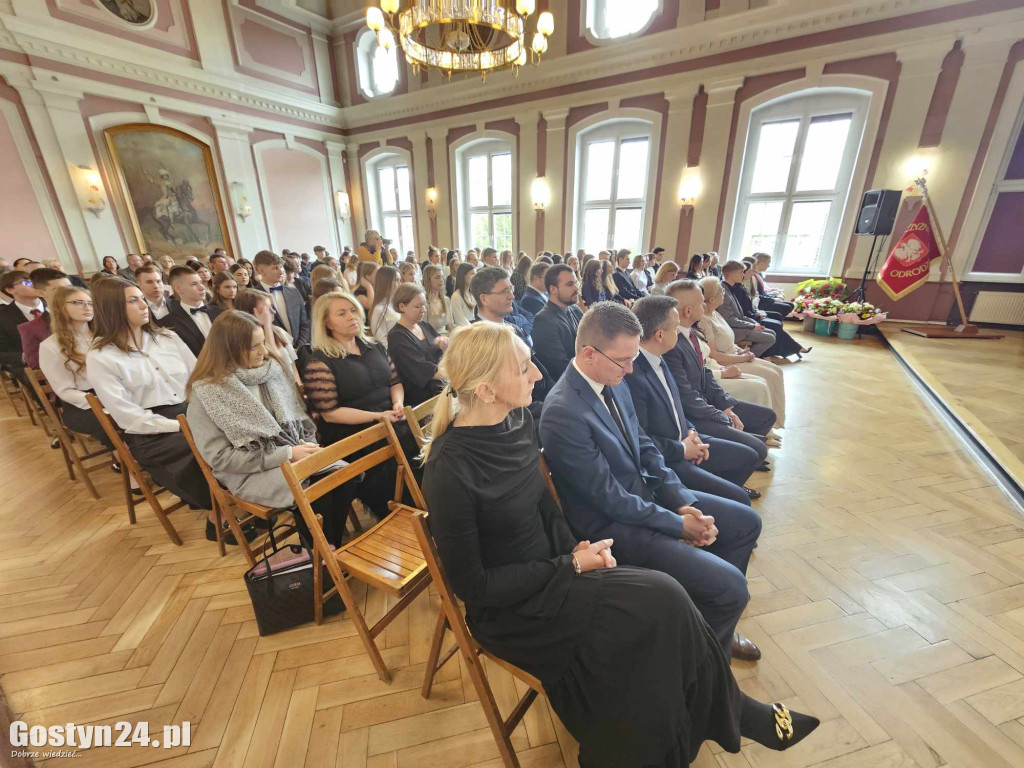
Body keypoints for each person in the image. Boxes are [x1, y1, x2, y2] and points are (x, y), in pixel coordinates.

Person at [421, 321, 819, 768]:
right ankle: (727, 719)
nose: (537, 375)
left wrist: (580, 549)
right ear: (487, 390)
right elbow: (473, 587)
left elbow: (546, 508)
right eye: (524, 367)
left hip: (560, 569)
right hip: (515, 608)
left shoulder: (517, 421)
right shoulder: (448, 469)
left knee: (669, 606)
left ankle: (708, 725)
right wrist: (572, 565)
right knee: (663, 602)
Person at [539, 302, 763, 660]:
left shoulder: (611, 376)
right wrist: (678, 525)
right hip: (613, 527)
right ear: (589, 353)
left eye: (632, 359)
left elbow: (643, 444)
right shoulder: (563, 412)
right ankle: (707, 660)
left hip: (646, 503)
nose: (631, 369)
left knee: (745, 522)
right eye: (623, 360)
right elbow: (609, 499)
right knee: (732, 587)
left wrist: (680, 500)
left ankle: (710, 624)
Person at [87, 278, 238, 542]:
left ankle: (247, 497)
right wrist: (181, 425)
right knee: (200, 451)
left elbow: (199, 378)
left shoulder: (167, 337)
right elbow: (127, 416)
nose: (142, 304)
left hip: (191, 411)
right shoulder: (101, 356)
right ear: (111, 308)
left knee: (239, 434)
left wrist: (210, 413)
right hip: (152, 430)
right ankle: (218, 517)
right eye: (132, 300)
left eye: (141, 298)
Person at [185, 311, 353, 546]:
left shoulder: (271, 373)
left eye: (263, 342)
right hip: (251, 472)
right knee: (317, 489)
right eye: (254, 346)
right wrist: (287, 454)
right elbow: (220, 458)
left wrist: (305, 442)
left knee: (349, 476)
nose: (264, 351)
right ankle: (321, 553)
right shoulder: (208, 394)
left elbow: (301, 419)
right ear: (229, 349)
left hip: (293, 454)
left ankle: (324, 548)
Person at [628, 296, 763, 504]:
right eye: (675, 328)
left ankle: (717, 497)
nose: (679, 333)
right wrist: (683, 448)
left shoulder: (659, 357)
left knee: (748, 456)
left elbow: (676, 406)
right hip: (668, 457)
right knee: (740, 500)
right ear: (660, 335)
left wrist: (691, 432)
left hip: (686, 438)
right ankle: (713, 503)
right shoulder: (633, 374)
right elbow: (640, 438)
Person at [300, 292, 419, 520]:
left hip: (391, 421)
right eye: (342, 313)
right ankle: (404, 522)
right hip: (356, 436)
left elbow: (395, 382)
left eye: (353, 310)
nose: (351, 316)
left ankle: (426, 514)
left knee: (423, 462)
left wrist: (397, 403)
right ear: (327, 322)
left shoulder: (374, 347)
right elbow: (331, 414)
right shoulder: (320, 361)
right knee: (390, 478)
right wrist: (377, 417)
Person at [664, 280, 776, 469]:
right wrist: (720, 415)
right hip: (695, 413)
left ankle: (744, 456)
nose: (705, 305)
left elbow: (705, 373)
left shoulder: (690, 332)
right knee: (757, 449)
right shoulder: (672, 342)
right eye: (701, 302)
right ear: (688, 311)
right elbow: (686, 396)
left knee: (766, 416)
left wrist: (725, 406)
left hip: (707, 402)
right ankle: (739, 462)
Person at [699, 277, 786, 429]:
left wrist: (741, 351)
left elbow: (728, 342)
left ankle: (777, 422)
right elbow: (715, 355)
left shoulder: (716, 314)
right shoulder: (704, 321)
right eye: (721, 291)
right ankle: (769, 426)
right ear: (712, 298)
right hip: (725, 361)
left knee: (777, 371)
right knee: (768, 378)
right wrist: (743, 357)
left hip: (735, 355)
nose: (724, 294)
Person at [38, 286, 111, 447]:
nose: (87, 307)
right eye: (78, 303)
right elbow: (64, 390)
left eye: (90, 303)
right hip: (82, 403)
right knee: (111, 423)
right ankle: (127, 465)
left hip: (114, 390)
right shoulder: (50, 346)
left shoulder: (105, 335)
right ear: (61, 308)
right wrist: (98, 401)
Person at [720, 260, 806, 359]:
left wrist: (754, 324)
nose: (743, 275)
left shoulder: (731, 288)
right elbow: (729, 319)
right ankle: (744, 359)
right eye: (740, 272)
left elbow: (740, 314)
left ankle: (750, 356)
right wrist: (752, 326)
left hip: (739, 325)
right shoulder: (725, 291)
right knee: (770, 337)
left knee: (772, 332)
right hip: (733, 329)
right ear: (731, 275)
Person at [387, 283, 446, 406]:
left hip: (441, 388)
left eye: (424, 305)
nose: (423, 310)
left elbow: (443, 356)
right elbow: (422, 369)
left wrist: (445, 347)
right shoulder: (397, 337)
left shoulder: (425, 326)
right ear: (402, 307)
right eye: (417, 306)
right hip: (421, 398)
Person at [235, 288, 300, 383]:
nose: (273, 312)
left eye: (271, 307)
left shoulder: (278, 331)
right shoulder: (244, 340)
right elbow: (271, 364)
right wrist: (267, 326)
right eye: (265, 309)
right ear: (251, 313)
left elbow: (292, 365)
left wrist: (299, 386)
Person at [530, 264, 582, 382]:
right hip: (566, 385)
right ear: (553, 289)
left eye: (576, 282)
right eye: (570, 284)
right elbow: (559, 367)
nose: (576, 288)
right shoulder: (544, 320)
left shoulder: (576, 310)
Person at [159, 266, 223, 357]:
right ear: (178, 288)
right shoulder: (168, 323)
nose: (202, 288)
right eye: (194, 284)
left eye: (200, 282)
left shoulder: (220, 312)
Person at [250, 250, 310, 346]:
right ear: (260, 270)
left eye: (281, 267)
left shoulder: (293, 292)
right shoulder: (252, 297)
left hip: (300, 349)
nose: (281, 271)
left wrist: (300, 346)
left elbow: (304, 322)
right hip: (274, 351)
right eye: (275, 268)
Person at [17, 268, 70, 369]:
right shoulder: (31, 328)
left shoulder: (91, 315)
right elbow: (36, 364)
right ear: (40, 293)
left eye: (69, 287)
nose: (68, 293)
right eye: (59, 290)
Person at [0, 270, 44, 386]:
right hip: (28, 365)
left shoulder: (55, 305)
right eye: (27, 283)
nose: (34, 285)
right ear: (10, 290)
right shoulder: (3, 316)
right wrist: (23, 356)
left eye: (35, 281)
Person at [751, 253, 795, 318]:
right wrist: (773, 299)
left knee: (791, 304)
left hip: (763, 299)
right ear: (762, 262)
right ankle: (772, 319)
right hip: (760, 303)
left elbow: (762, 292)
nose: (769, 265)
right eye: (768, 263)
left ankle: (776, 320)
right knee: (787, 307)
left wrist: (773, 296)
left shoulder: (759, 274)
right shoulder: (752, 276)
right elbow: (755, 295)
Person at [368, 266, 400, 347]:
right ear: (386, 282)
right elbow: (381, 340)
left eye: (400, 280)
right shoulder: (378, 309)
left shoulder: (396, 304)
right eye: (396, 280)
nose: (400, 284)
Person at [421, 264, 450, 334]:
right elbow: (423, 330)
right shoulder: (424, 302)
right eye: (437, 277)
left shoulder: (446, 300)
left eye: (442, 277)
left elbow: (450, 326)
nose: (442, 280)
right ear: (428, 280)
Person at [449, 262, 477, 328]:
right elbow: (460, 320)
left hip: (474, 326)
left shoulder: (472, 293)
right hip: (465, 329)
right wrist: (475, 330)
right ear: (463, 276)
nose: (475, 278)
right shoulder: (456, 296)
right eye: (472, 274)